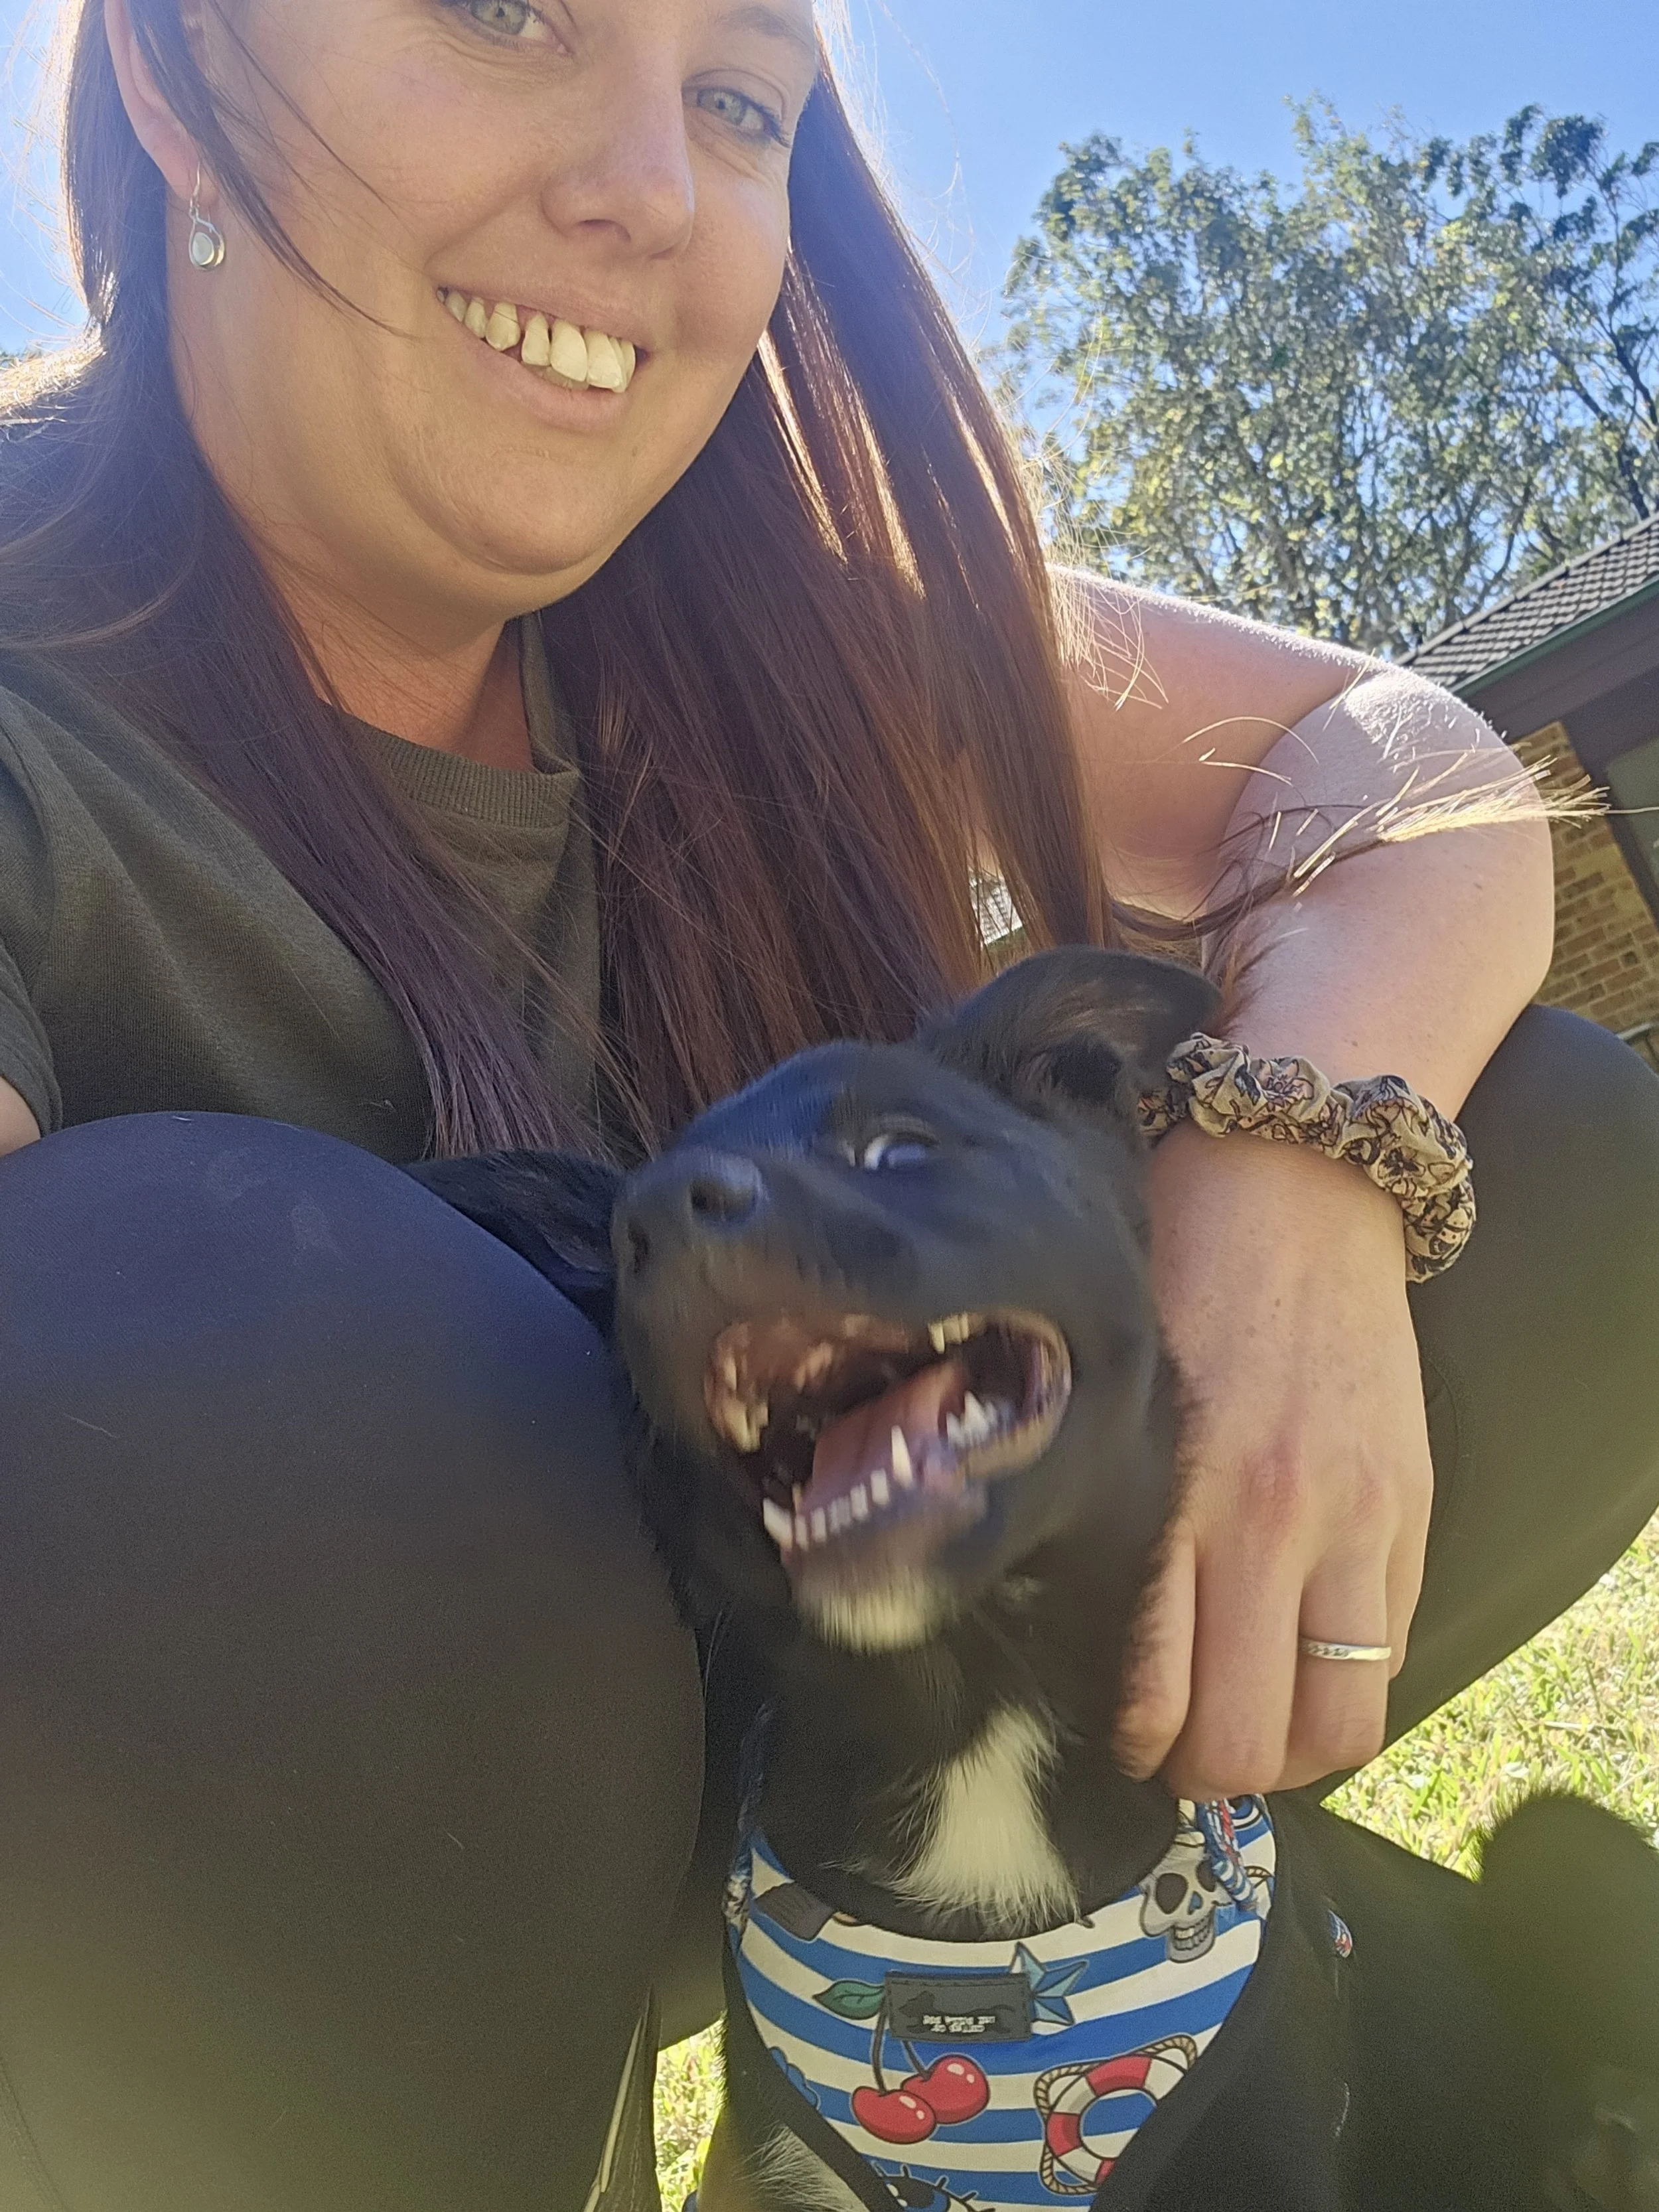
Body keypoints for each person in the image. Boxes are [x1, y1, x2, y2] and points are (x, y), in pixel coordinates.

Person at [0, 0, 1653, 2205]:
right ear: (170, 81)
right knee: (218, 1337)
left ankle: (1071, 2019)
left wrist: (1298, 1167)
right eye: (505, 12)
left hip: (792, 1678)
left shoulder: (762, 606)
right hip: (266, 1838)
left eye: (738, 97)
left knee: (1544, 1152)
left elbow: (1407, 776)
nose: (653, 191)